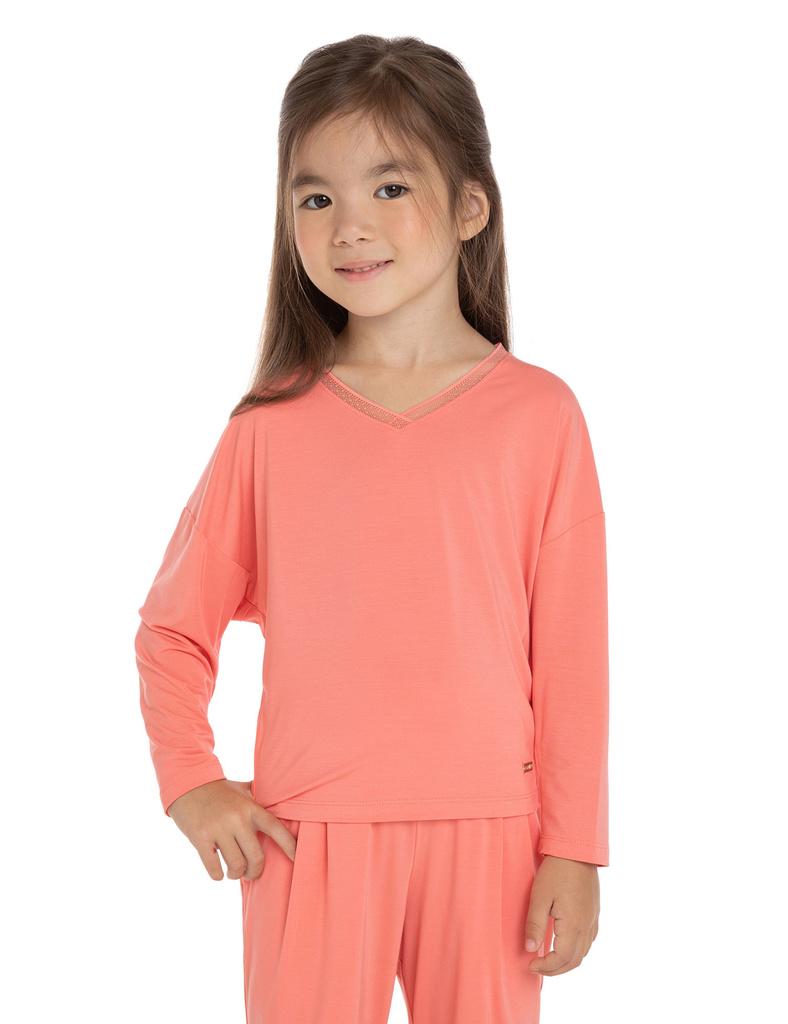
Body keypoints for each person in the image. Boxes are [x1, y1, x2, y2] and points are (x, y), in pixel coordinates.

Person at [135, 33, 609, 1024]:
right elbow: (174, 629)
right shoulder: (269, 425)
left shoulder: (540, 417)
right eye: (315, 199)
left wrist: (573, 846)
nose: (350, 225)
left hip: (492, 835)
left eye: (389, 188)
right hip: (307, 834)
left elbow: (569, 653)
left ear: (470, 206)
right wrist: (190, 781)